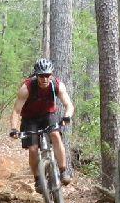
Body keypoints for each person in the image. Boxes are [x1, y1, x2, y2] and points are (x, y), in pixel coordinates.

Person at [9, 58, 74, 194]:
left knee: (55, 135)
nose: (44, 78)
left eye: (47, 75)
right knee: (33, 149)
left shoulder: (57, 85)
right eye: (41, 75)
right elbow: (16, 110)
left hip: (48, 115)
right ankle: (38, 179)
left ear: (51, 74)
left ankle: (63, 171)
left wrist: (67, 116)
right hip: (29, 119)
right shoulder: (27, 88)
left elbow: (69, 104)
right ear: (36, 75)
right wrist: (14, 129)